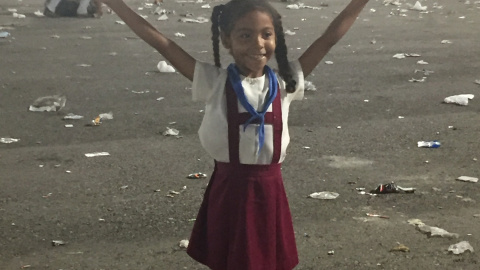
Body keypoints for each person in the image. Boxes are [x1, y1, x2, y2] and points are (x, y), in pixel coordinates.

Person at [99, 0, 370, 269]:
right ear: (227, 40)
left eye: (266, 34)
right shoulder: (214, 81)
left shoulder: (286, 82)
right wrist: (117, 5)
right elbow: (162, 43)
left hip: (270, 191)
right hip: (230, 190)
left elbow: (328, 39)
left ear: (277, 37)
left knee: (265, 261)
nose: (258, 44)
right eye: (245, 35)